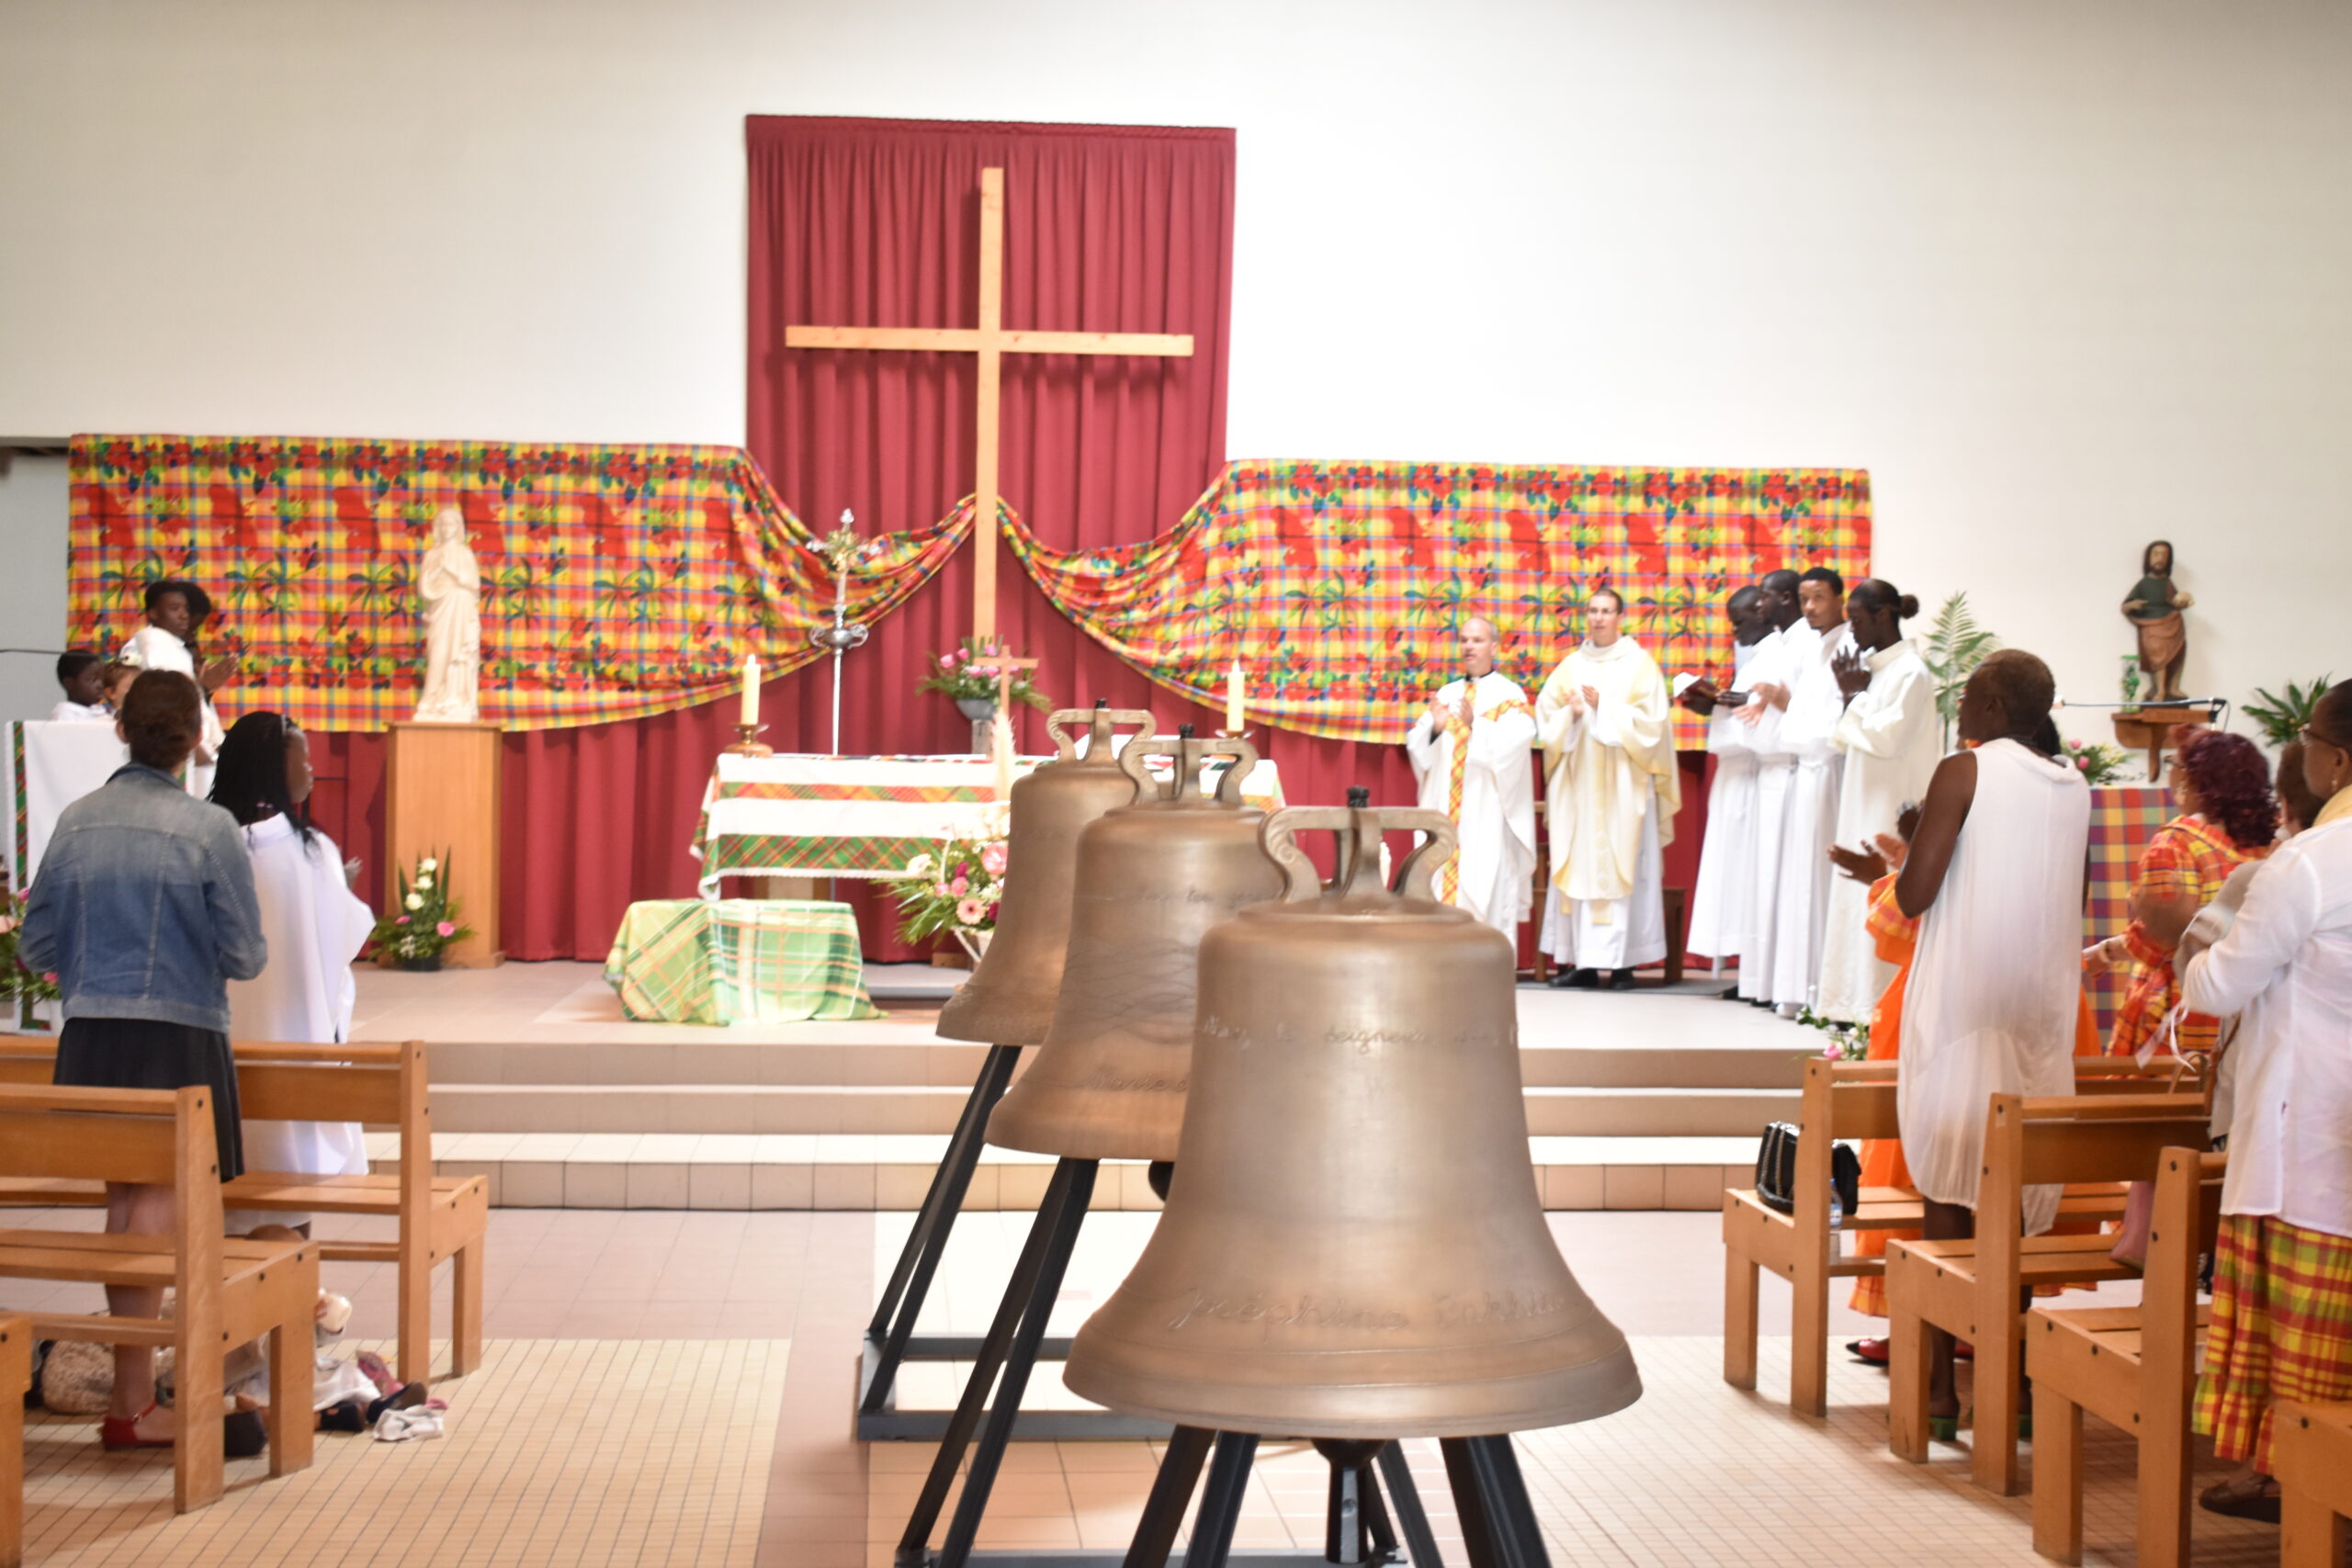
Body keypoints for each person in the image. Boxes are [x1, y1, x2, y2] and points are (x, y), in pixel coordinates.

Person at [16, 670, 267, 1450]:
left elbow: (35, 945)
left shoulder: (77, 820)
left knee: (125, 1204)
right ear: (193, 739)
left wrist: (98, 961)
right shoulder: (209, 828)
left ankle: (131, 1398)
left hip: (92, 1031)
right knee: (154, 1206)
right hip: (179, 1033)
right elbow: (246, 955)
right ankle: (131, 1404)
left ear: (120, 730)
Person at [1891, 649, 2090, 1432]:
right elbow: (2071, 896)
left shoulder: (1964, 770)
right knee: (2017, 1195)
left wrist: (1916, 836)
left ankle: (1941, 1389)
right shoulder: (2073, 786)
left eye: (1971, 695)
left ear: (1999, 708)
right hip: (2039, 1011)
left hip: (1965, 1001)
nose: (1963, 706)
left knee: (1950, 1185)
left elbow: (1914, 895)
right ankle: (2016, 1388)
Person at [2177, 681, 2352, 1521]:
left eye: (2310, 738)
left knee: (2303, 1320)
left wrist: (2196, 946)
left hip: (2309, 1132)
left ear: (2337, 760)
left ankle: (2299, 1484)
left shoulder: (2311, 861)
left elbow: (2218, 987)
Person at [210, 713, 376, 1232]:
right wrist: (333, 887)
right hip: (295, 1043)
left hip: (223, 1048)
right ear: (271, 766)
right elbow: (346, 939)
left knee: (230, 1171)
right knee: (289, 1175)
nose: (311, 770)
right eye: (302, 758)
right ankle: (295, 1274)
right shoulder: (311, 849)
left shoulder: (209, 843)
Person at [2082, 727, 2276, 1058]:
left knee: (2165, 1090)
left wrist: (2107, 951)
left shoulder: (2176, 842)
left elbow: (2161, 938)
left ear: (2192, 778)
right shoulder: (2272, 845)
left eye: (2173, 763)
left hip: (2183, 1009)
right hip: (2249, 1008)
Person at [1535, 588, 1681, 988]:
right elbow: (1546, 719)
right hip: (1580, 789)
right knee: (1578, 866)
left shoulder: (1639, 665)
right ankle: (1582, 963)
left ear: (1620, 617)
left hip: (1624, 789)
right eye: (1592, 611)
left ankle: (1622, 964)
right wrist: (1571, 715)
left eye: (1606, 611)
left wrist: (1605, 709)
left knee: (1624, 864)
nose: (1598, 618)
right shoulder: (1569, 666)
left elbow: (1653, 726)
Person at [1816, 581, 1941, 1023]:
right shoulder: (1877, 672)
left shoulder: (1911, 672)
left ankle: (1878, 1008)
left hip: (1891, 806)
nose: (1851, 630)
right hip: (1864, 798)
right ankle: (1853, 1006)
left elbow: (1887, 739)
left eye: (1856, 619)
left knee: (1881, 893)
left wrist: (1854, 696)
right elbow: (1844, 736)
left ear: (1884, 615)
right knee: (1857, 898)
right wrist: (1852, 694)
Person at [1405, 616, 1537, 937]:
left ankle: (1485, 960)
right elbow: (1418, 746)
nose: (1469, 646)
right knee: (1439, 886)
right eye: (1464, 640)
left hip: (1486, 814)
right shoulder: (1447, 694)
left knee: (1485, 886)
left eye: (1477, 640)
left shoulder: (1509, 695)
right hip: (1445, 810)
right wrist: (1435, 729)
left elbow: (1517, 744)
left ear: (1494, 646)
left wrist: (1476, 724)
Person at [1762, 567, 1853, 1014]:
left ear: (1840, 599)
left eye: (1819, 597)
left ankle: (1823, 989)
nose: (1811, 607)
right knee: (1800, 883)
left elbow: (1838, 720)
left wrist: (1787, 705)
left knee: (1821, 880)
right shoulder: (1812, 647)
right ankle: (1797, 988)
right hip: (1806, 772)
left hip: (1830, 772)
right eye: (1804, 599)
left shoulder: (1851, 647)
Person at [1681, 586, 1770, 996]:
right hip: (1734, 774)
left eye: (1739, 623)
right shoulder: (1756, 656)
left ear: (1762, 611)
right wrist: (1714, 703)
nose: (1735, 632)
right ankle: (1747, 972)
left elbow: (1761, 719)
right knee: (1732, 876)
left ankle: (1753, 972)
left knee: (1747, 874)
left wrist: (1726, 705)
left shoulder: (1776, 655)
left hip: (1753, 774)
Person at [1734, 570, 1805, 1005]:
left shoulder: (1808, 643)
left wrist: (1778, 703)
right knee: (1765, 883)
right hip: (1771, 768)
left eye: (1765, 596)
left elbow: (1805, 704)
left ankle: (1786, 985)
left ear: (1786, 598)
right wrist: (1760, 702)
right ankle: (1765, 981)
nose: (1759, 605)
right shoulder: (1780, 645)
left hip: (1795, 769)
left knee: (1787, 885)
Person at [119, 579, 231, 766]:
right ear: (153, 613)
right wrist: (204, 687)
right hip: (167, 745)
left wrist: (205, 688)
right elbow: (172, 700)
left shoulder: (172, 644)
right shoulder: (154, 641)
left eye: (185, 609)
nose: (184, 616)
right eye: (174, 609)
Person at [2121, 540, 2195, 704]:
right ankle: (2159, 689)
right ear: (2148, 558)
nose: (2159, 559)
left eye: (2164, 555)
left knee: (2177, 653)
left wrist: (2182, 602)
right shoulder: (2144, 583)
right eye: (2156, 554)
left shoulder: (2168, 583)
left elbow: (2173, 601)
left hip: (2171, 621)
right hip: (2151, 624)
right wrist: (2132, 605)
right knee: (2157, 654)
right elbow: (2125, 607)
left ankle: (2173, 687)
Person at [49, 650, 109, 720]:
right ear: (69, 683)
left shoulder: (99, 711)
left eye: (102, 679)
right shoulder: (65, 714)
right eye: (92, 679)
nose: (100, 685)